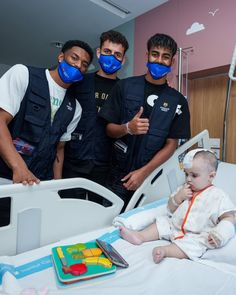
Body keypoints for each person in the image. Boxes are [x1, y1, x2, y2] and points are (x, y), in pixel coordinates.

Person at [0, 39, 93, 225]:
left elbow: (59, 148)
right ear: (61, 57)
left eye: (84, 65)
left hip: (37, 184)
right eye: (74, 58)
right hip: (5, 177)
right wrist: (19, 167)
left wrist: (56, 187)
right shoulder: (24, 75)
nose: (78, 65)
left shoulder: (74, 108)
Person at [99, 33, 191, 208]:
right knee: (108, 226)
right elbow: (109, 129)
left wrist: (144, 172)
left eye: (165, 57)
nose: (159, 60)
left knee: (140, 226)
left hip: (151, 179)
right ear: (146, 56)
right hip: (117, 176)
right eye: (155, 54)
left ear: (172, 62)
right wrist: (127, 128)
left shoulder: (178, 101)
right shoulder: (124, 87)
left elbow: (171, 144)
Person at [120, 149, 236, 263]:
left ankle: (166, 251)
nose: (188, 179)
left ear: (211, 176)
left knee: (194, 246)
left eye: (194, 175)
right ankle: (140, 236)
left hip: (197, 234)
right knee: (162, 222)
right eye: (186, 174)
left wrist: (220, 234)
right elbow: (170, 209)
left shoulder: (218, 196)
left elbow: (229, 218)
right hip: (175, 226)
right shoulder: (183, 189)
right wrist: (178, 197)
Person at [62, 30, 129, 203]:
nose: (111, 57)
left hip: (105, 165)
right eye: (107, 52)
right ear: (99, 53)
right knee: (67, 211)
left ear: (123, 60)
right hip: (73, 161)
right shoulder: (79, 81)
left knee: (98, 215)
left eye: (117, 54)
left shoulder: (125, 90)